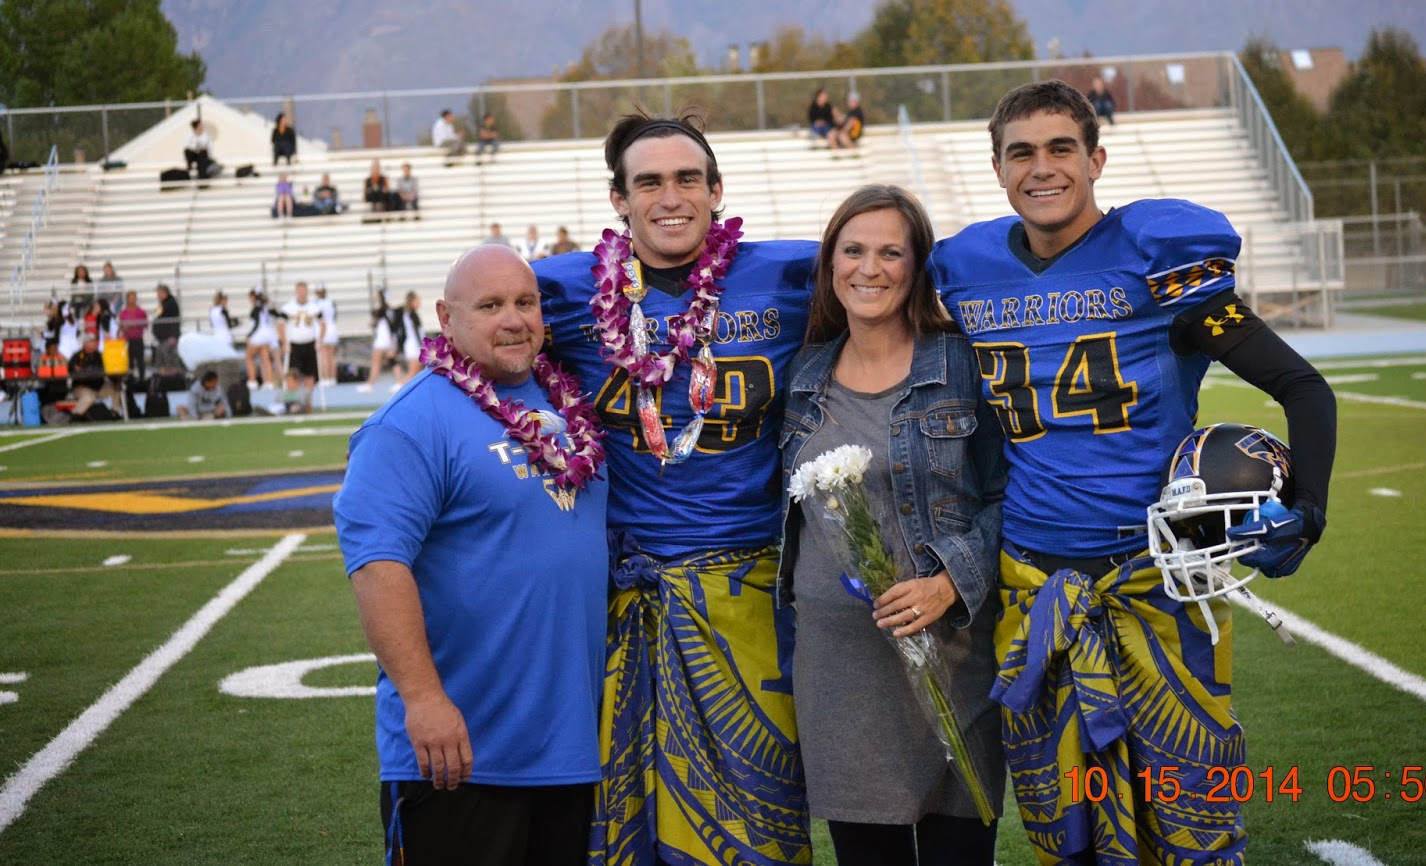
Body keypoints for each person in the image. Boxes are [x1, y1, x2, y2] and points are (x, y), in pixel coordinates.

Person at [929, 80, 1336, 865]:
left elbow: (1302, 388)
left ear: (1096, 159)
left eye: (1060, 149)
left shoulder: (1157, 258)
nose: (1042, 168)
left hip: (1154, 585)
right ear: (997, 167)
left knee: (1193, 833)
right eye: (1022, 152)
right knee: (1063, 836)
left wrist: (1308, 507)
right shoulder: (968, 268)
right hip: (1033, 590)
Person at [535, 110, 815, 865]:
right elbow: (473, 326)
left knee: (759, 817)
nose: (670, 195)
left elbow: (896, 266)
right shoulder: (559, 289)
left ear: (717, 190)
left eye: (687, 178)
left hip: (748, 589)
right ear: (619, 200)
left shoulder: (788, 274)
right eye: (648, 180)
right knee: (616, 823)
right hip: (621, 595)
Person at [333, 244, 610, 866]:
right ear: (445, 317)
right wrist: (424, 701)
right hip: (458, 752)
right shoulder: (408, 423)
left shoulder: (569, 408)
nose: (513, 319)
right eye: (489, 305)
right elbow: (378, 568)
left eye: (525, 302)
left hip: (567, 751)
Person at [779, 185, 1006, 866]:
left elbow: (1009, 492)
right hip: (840, 676)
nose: (868, 268)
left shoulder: (961, 364)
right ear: (829, 264)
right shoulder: (802, 374)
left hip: (953, 658)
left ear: (917, 267)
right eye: (852, 250)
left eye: (889, 252)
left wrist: (950, 581)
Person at [359, 290, 403, 393]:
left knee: (375, 362)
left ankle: (370, 384)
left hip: (382, 339)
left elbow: (375, 322)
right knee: (392, 361)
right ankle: (399, 381)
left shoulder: (382, 310)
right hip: (388, 339)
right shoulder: (390, 311)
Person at [281, 281, 323, 383]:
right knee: (293, 374)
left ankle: (308, 398)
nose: (301, 293)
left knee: (310, 375)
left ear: (307, 291)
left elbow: (323, 324)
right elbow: (280, 325)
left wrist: (319, 341)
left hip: (310, 343)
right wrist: (284, 342)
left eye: (303, 290)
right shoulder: (288, 307)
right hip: (295, 344)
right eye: (299, 291)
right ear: (296, 292)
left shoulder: (314, 307)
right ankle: (295, 398)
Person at [244, 288, 283, 391]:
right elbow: (279, 314)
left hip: (258, 337)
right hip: (267, 337)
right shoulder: (266, 307)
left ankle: (252, 381)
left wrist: (249, 335)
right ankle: (269, 382)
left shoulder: (256, 308)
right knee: (265, 359)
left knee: (248, 357)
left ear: (254, 297)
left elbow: (256, 324)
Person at [67, 333, 107, 418]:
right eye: (91, 341)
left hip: (99, 388)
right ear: (85, 343)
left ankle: (114, 413)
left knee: (117, 389)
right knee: (89, 397)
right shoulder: (78, 356)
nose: (94, 343)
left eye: (94, 341)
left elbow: (105, 369)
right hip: (82, 387)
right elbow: (73, 370)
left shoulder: (99, 355)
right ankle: (75, 416)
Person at [118, 290, 149, 385]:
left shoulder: (141, 312)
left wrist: (135, 325)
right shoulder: (123, 313)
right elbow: (120, 326)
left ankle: (142, 379)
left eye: (134, 298)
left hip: (138, 338)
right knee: (129, 360)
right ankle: (131, 379)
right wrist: (125, 327)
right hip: (128, 339)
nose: (132, 300)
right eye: (130, 298)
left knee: (140, 360)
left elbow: (145, 324)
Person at [315, 283, 340, 386]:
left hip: (323, 328)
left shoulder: (316, 304)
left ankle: (325, 378)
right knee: (331, 355)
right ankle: (332, 378)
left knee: (324, 355)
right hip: (332, 328)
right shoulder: (331, 303)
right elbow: (334, 316)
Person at [398, 291, 425, 385]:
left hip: (413, 344)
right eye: (417, 300)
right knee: (413, 373)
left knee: (415, 373)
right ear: (411, 301)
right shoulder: (411, 315)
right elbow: (416, 332)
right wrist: (421, 345)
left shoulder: (410, 314)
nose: (419, 302)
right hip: (413, 345)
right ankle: (400, 389)